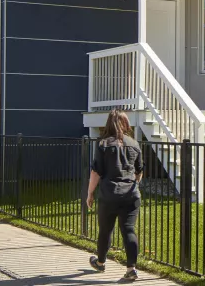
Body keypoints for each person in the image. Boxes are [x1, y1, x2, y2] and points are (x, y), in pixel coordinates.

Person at [86, 110, 144, 281]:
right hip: (131, 195)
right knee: (128, 230)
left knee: (105, 230)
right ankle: (131, 268)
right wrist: (134, 185)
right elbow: (139, 171)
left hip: (109, 195)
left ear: (109, 123)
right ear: (125, 124)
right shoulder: (134, 143)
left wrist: (90, 193)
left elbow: (96, 172)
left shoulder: (103, 144)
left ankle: (100, 262)